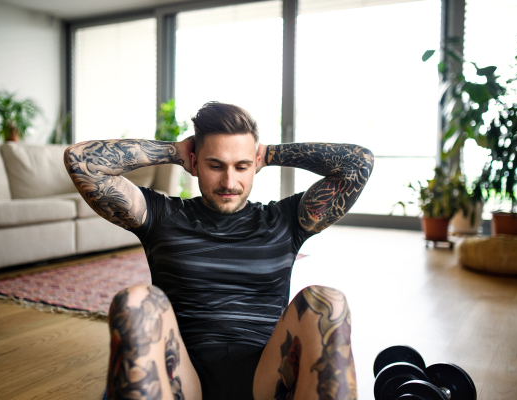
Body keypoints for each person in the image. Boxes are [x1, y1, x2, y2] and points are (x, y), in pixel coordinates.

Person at [64, 102, 374, 400]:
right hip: (182, 379)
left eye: (242, 166)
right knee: (135, 301)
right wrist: (173, 151)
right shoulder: (161, 216)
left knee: (327, 301)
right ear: (195, 162)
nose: (230, 181)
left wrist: (269, 153)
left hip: (267, 378)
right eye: (215, 165)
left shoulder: (286, 220)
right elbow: (80, 160)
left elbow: (358, 163)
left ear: (255, 164)